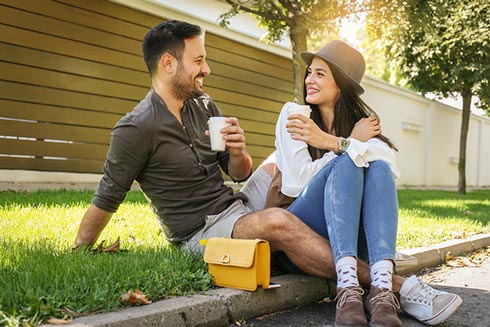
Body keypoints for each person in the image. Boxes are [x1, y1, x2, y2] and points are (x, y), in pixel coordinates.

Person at [72, 20, 460, 326]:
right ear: (168, 63)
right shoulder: (136, 128)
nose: (207, 68)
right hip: (199, 231)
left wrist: (239, 151)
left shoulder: (203, 105)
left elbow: (238, 173)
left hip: (234, 207)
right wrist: (79, 248)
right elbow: (109, 195)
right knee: (277, 220)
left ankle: (359, 269)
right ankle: (395, 287)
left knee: (309, 165)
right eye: (199, 61)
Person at [269, 40, 462, 326]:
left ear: (341, 84)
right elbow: (297, 182)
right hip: (300, 233)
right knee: (349, 161)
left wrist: (333, 142)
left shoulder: (362, 125)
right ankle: (347, 290)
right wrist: (349, 146)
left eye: (320, 74)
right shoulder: (295, 114)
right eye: (310, 72)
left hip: (348, 235)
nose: (309, 79)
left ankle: (382, 292)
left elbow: (388, 165)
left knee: (378, 168)